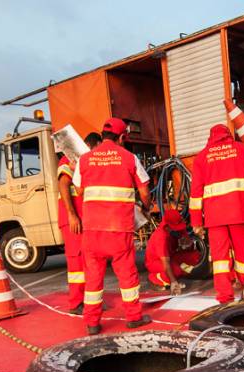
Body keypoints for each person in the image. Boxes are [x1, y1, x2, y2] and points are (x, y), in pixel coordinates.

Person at [73, 118, 151, 334]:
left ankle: (92, 323)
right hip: (119, 228)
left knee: (93, 277)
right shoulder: (130, 158)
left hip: (92, 229)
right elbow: (144, 191)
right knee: (127, 274)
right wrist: (146, 207)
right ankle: (134, 317)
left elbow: (78, 190)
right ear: (122, 137)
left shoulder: (84, 159)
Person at [190, 124, 244, 304]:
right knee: (242, 256)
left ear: (211, 137)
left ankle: (224, 296)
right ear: (229, 135)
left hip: (214, 218)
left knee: (219, 259)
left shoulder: (201, 158)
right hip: (239, 214)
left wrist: (196, 222)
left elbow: (195, 194)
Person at [54, 133, 102, 315]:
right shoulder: (69, 160)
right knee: (76, 263)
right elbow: (63, 184)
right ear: (91, 145)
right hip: (73, 220)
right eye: (97, 149)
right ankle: (76, 303)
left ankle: (89, 301)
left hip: (84, 220)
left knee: (89, 262)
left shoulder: (86, 163)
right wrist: (72, 215)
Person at [145, 208, 201, 295]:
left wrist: (188, 244)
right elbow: (165, 262)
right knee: (176, 270)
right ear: (167, 226)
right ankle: (154, 279)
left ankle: (172, 277)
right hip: (155, 262)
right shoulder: (161, 236)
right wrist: (173, 282)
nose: (177, 229)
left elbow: (189, 244)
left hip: (171, 256)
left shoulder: (179, 227)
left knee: (195, 256)